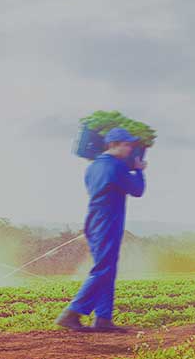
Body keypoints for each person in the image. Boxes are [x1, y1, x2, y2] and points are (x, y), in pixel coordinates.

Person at [56, 128, 146, 332]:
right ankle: (71, 313)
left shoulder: (93, 166)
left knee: (107, 268)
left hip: (93, 221)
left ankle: (103, 319)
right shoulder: (116, 166)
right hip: (108, 221)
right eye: (127, 145)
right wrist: (139, 169)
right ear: (113, 144)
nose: (130, 149)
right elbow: (137, 190)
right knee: (103, 269)